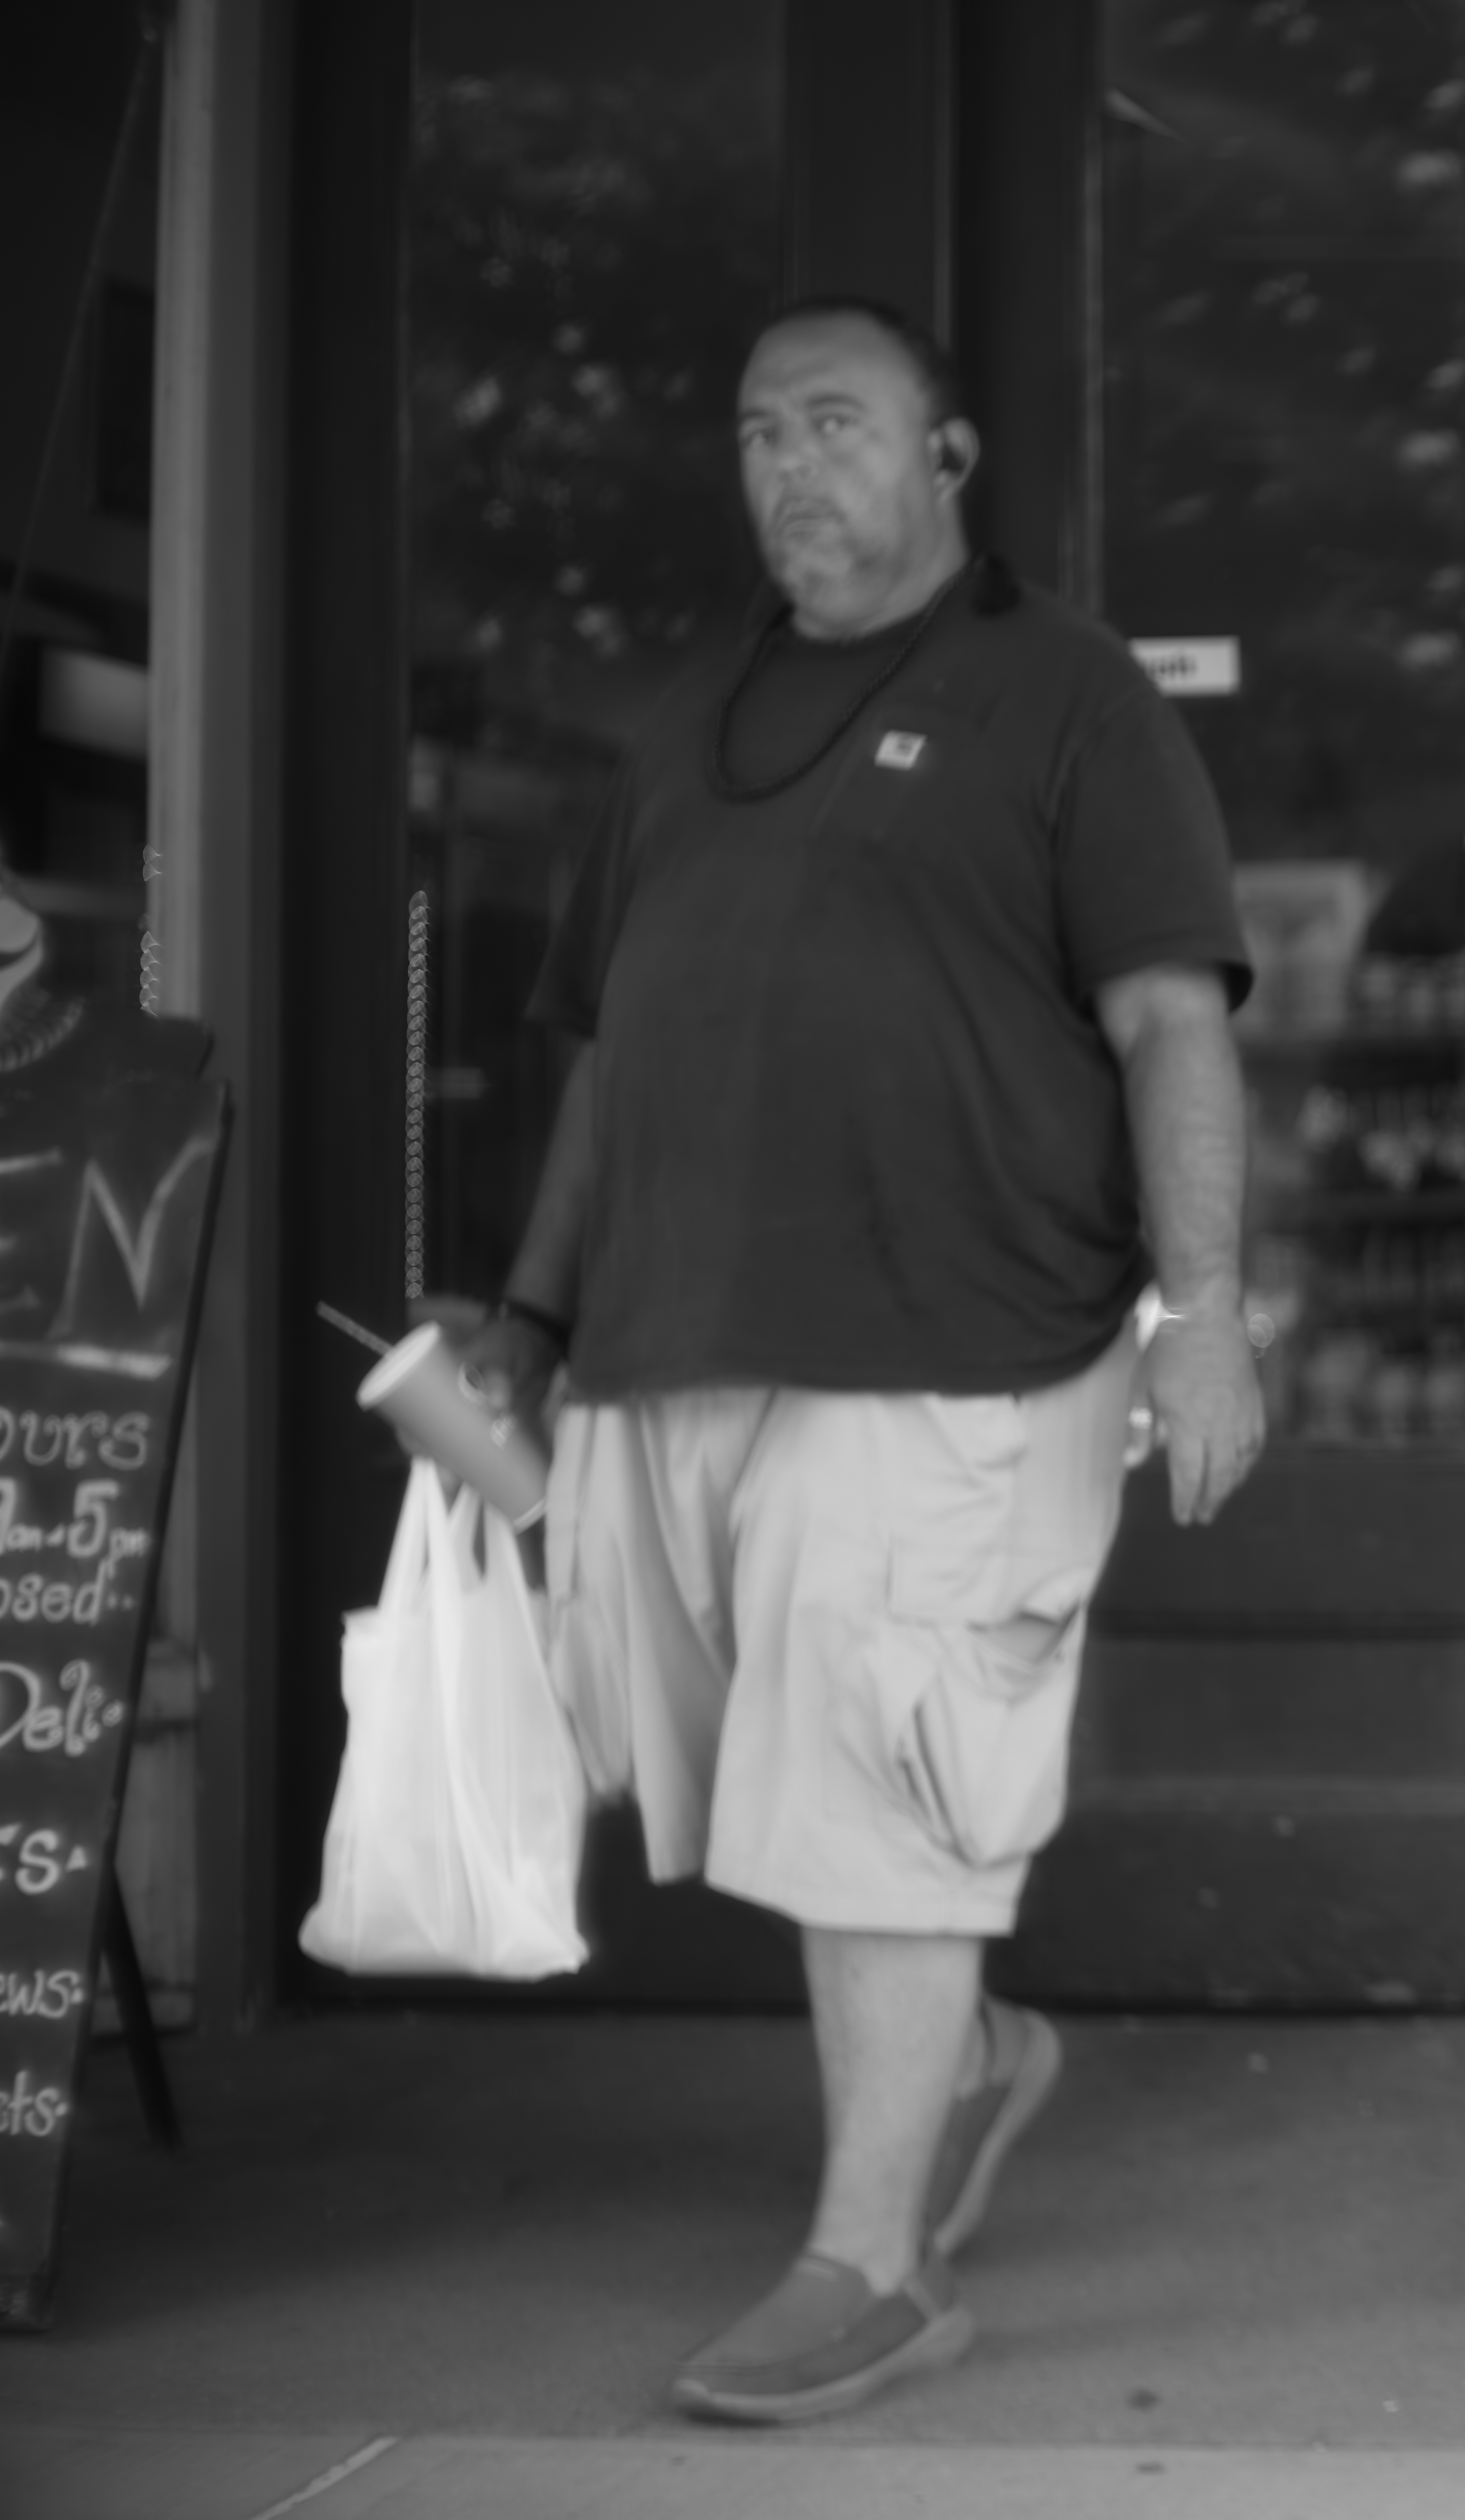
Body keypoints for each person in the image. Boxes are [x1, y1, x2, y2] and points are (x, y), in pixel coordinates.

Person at [440, 295, 1264, 2424]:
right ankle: (967, 2058)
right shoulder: (685, 726)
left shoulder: (1069, 698)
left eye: (836, 423)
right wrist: (531, 1317)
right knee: (743, 1773)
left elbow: (1171, 1020)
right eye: (757, 433)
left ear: (946, 457)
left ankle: (873, 2265)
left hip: (958, 1345)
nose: (789, 467)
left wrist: (1202, 1313)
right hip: (675, 1351)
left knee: (886, 1791)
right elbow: (611, 1060)